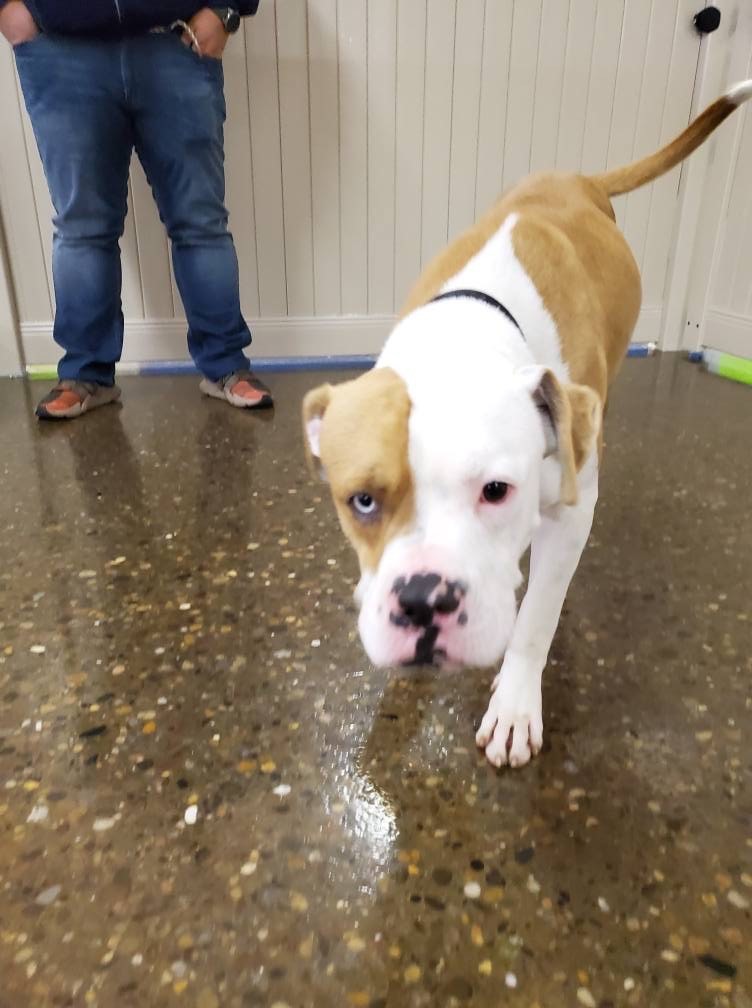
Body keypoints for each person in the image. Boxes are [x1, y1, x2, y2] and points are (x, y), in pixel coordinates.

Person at [0, 0, 273, 419]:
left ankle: (226, 366)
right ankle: (85, 374)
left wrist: (225, 10)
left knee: (200, 222)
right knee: (82, 226)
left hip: (175, 42)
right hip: (61, 51)